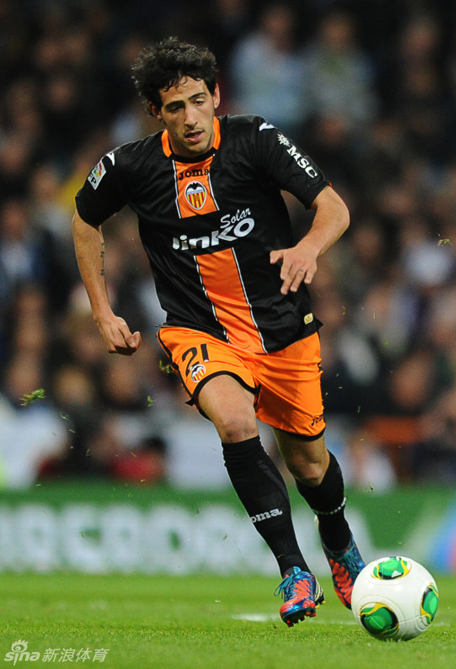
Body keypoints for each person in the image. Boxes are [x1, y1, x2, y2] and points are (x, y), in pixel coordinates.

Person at [71, 37, 365, 627]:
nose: (190, 117)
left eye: (198, 102)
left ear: (216, 98)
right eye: (175, 107)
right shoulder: (130, 165)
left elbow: (333, 206)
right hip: (197, 330)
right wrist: (101, 311)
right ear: (156, 112)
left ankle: (338, 543)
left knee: (309, 465)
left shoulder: (256, 138)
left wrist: (307, 248)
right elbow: (83, 219)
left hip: (280, 329)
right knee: (234, 420)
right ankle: (292, 569)